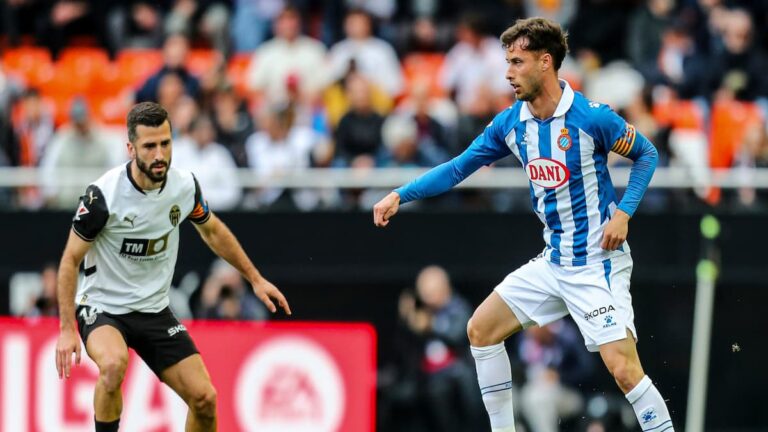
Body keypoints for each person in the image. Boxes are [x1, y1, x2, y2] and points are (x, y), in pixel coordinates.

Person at [373, 17, 675, 432]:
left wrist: (624, 213)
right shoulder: (511, 123)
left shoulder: (591, 118)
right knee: (480, 329)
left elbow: (647, 154)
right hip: (553, 263)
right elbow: (459, 168)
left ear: (545, 62)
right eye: (507, 62)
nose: (508, 72)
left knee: (624, 371)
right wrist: (400, 194)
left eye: (517, 62)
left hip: (596, 264)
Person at [54, 102, 290, 432]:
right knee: (112, 365)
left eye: (166, 143)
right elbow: (69, 260)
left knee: (205, 398)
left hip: (154, 311)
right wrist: (67, 329)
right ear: (130, 148)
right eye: (150, 146)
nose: (160, 154)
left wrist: (255, 278)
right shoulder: (103, 196)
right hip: (104, 307)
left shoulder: (183, 186)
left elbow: (212, 230)